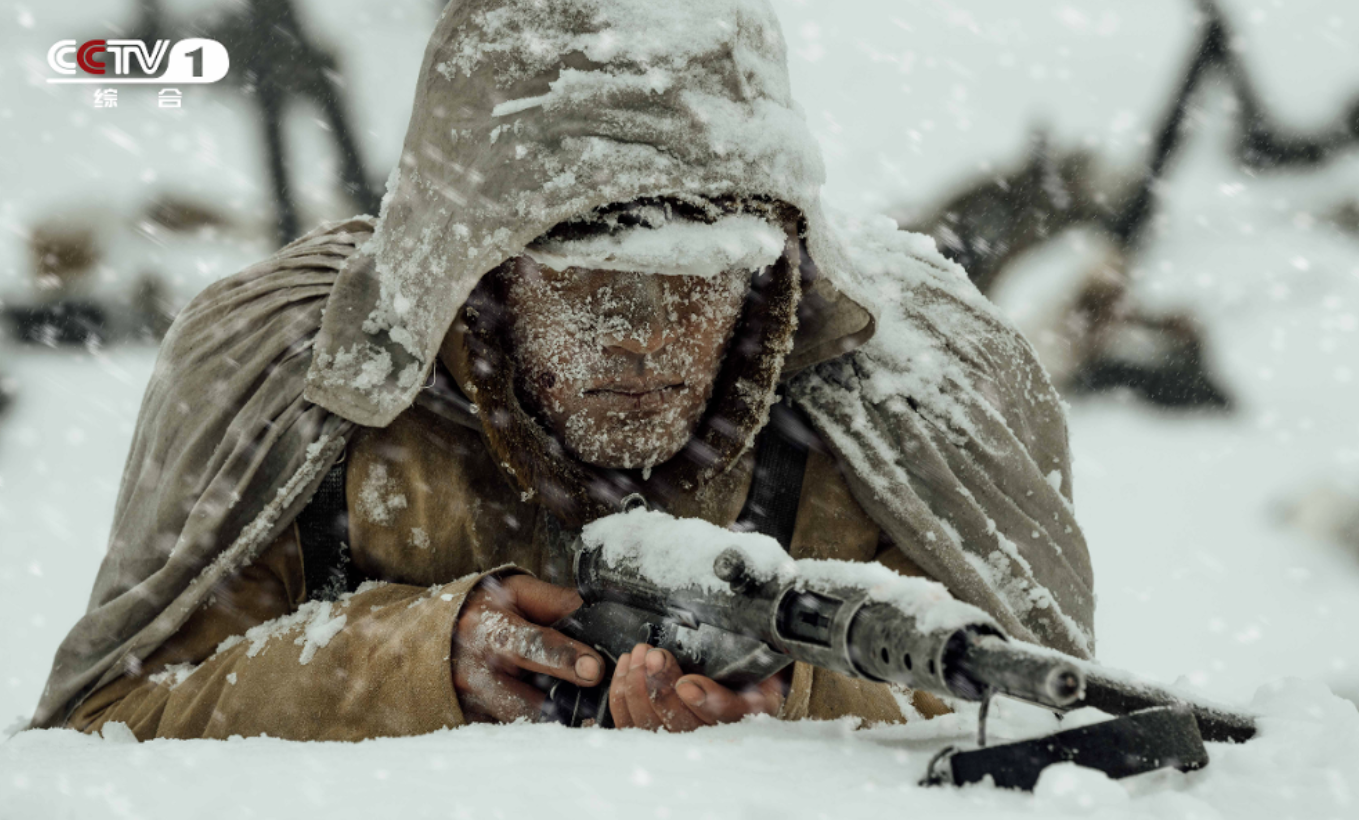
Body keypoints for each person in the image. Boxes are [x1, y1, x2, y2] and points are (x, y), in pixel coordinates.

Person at [32, 0, 1095, 741]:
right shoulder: (294, 383)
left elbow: (1054, 735)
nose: (640, 342)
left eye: (696, 283)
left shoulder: (904, 401)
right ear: (480, 273)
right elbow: (102, 736)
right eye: (587, 288)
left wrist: (798, 692)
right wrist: (417, 658)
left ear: (771, 278)